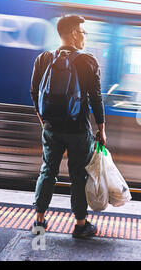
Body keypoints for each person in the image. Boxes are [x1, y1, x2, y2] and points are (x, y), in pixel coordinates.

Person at [30, 14, 107, 238]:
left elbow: (34, 93)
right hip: (78, 129)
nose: (85, 37)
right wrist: (101, 129)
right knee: (78, 176)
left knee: (47, 172)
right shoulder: (88, 61)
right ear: (73, 33)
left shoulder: (43, 59)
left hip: (52, 128)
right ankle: (81, 224)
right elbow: (96, 98)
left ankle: (39, 221)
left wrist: (43, 122)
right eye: (83, 32)